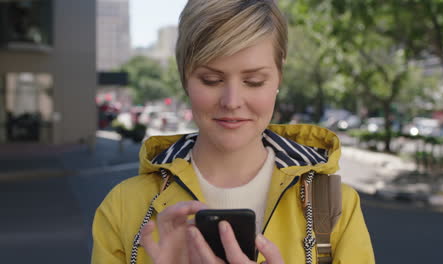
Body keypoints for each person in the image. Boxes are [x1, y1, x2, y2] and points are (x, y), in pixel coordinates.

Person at [91, 0, 375, 263]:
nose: (232, 101)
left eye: (254, 81)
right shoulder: (124, 208)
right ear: (184, 77)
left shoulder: (334, 207)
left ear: (279, 76)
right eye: (211, 79)